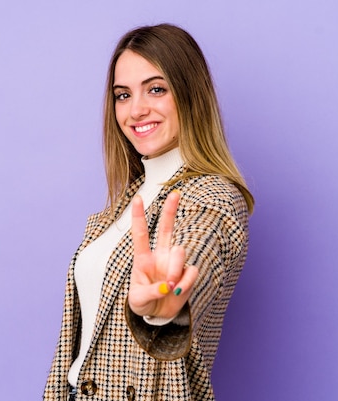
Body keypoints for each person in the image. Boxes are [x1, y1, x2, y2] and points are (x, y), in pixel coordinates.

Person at [43, 23, 254, 401]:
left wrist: (164, 308)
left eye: (156, 89)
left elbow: (192, 264)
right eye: (123, 95)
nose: (136, 109)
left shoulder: (212, 198)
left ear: (190, 95)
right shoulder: (127, 203)